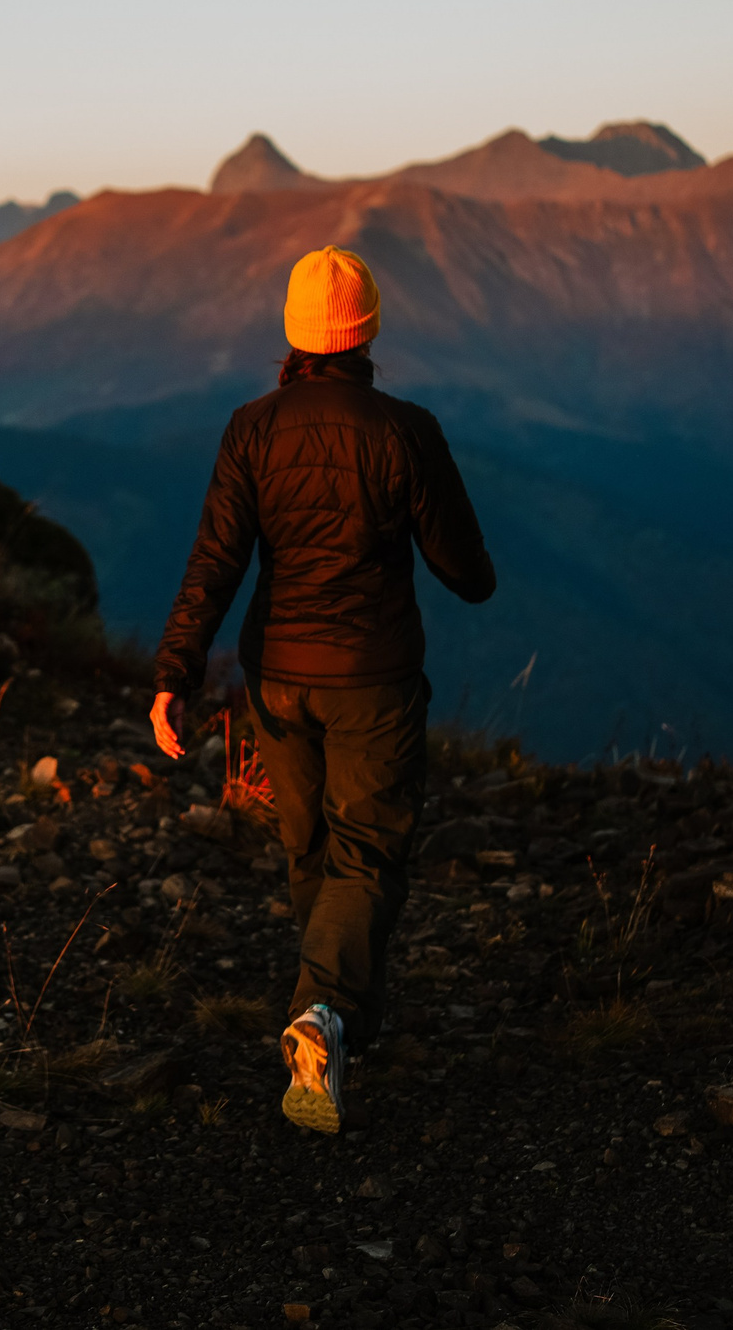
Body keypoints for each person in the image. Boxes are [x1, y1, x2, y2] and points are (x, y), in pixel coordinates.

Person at [149, 245, 495, 1134]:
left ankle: (342, 1023)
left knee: (310, 849)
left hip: (277, 678)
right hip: (373, 677)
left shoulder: (251, 427)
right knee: (368, 853)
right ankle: (325, 1014)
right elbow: (466, 571)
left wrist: (174, 675)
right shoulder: (405, 429)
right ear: (368, 328)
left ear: (296, 333)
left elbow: (214, 561)